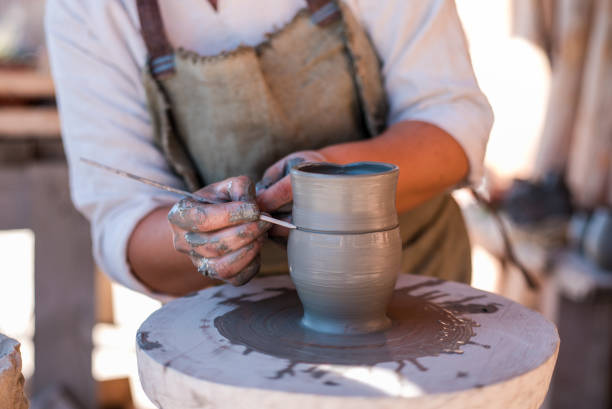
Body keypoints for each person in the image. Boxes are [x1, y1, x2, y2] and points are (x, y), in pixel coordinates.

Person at [46, 0, 493, 298]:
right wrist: (198, 237)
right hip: (236, 325)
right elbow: (121, 220)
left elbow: (454, 126)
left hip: (414, 281)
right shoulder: (87, 8)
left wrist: (331, 181)